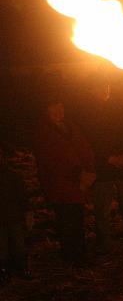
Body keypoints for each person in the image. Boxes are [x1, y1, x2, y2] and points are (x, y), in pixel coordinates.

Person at [77, 75, 123, 253]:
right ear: (92, 90)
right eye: (100, 86)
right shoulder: (87, 113)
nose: (104, 89)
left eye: (106, 85)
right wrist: (108, 158)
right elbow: (89, 142)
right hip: (103, 170)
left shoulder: (119, 108)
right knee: (103, 211)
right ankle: (105, 244)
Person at [34, 96, 95, 265]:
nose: (59, 111)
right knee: (66, 221)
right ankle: (71, 257)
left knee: (77, 219)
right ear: (47, 111)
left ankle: (80, 254)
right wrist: (78, 173)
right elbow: (52, 160)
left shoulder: (70, 126)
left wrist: (89, 170)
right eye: (54, 108)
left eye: (61, 106)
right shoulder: (45, 133)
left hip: (76, 185)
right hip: (62, 186)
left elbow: (84, 147)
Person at [0, 153, 31, 282]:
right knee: (2, 248)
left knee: (18, 245)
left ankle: (21, 268)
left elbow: (22, 195)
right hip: (6, 217)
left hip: (14, 216)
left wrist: (27, 212)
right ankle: (4, 270)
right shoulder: (13, 176)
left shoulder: (13, 176)